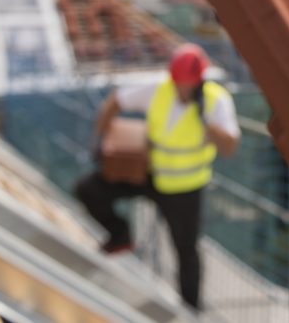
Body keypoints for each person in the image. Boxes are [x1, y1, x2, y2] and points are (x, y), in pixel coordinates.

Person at [74, 43, 240, 310]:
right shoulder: (157, 89)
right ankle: (120, 235)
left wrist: (205, 120)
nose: (183, 89)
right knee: (89, 189)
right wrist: (101, 140)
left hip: (186, 188)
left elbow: (230, 147)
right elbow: (115, 101)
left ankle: (190, 309)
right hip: (150, 175)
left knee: (186, 251)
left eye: (188, 84)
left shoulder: (216, 100)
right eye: (179, 83)